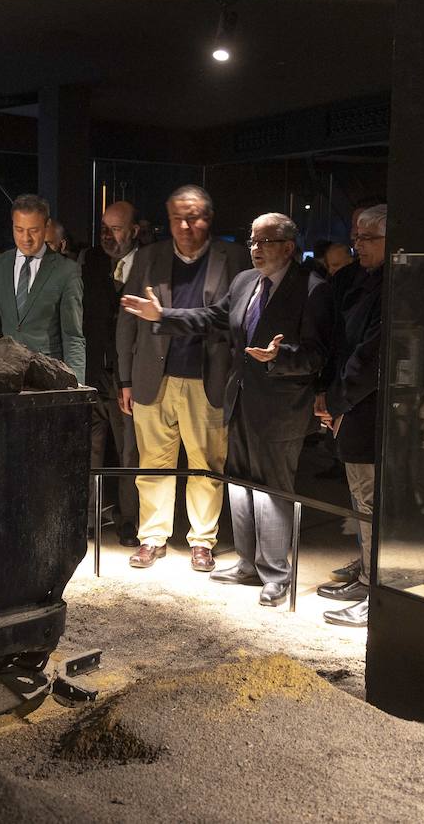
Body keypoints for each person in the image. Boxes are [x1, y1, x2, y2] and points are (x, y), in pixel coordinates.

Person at [125, 212, 332, 605]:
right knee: (238, 482)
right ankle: (247, 564)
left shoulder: (312, 289)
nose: (255, 249)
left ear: (288, 247)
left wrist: (278, 356)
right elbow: (210, 317)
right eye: (252, 241)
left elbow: (318, 353)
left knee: (272, 490)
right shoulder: (245, 282)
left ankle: (275, 573)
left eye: (265, 242)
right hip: (237, 399)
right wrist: (163, 316)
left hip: (280, 407)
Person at [116, 185, 248, 572]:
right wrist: (125, 379)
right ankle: (151, 537)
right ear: (168, 220)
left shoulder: (236, 258)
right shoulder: (148, 256)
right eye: (178, 218)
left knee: (207, 464)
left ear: (209, 218)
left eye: (195, 217)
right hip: (153, 377)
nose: (186, 225)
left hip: (210, 377)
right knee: (152, 463)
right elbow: (127, 321)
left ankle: (202, 540)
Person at [315, 205, 388, 627]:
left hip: (371, 408)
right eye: (356, 237)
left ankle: (376, 590)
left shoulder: (390, 285)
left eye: (367, 239)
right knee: (362, 497)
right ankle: (366, 573)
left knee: (373, 500)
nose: (357, 245)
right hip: (352, 402)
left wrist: (338, 400)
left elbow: (371, 356)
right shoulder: (361, 280)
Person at [79, 201, 142, 546]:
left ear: (133, 231)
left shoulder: (147, 265)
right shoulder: (90, 261)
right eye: (103, 227)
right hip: (91, 371)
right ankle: (87, 520)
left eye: (115, 228)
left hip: (127, 377)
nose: (107, 234)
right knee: (89, 449)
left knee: (129, 453)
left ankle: (129, 522)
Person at [0, 195, 86, 383]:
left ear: (47, 227)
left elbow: (73, 336)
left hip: (48, 375)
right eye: (19, 230)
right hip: (2, 375)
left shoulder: (66, 271)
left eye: (33, 230)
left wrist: (76, 385)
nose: (26, 238)